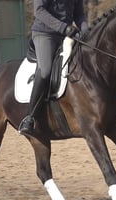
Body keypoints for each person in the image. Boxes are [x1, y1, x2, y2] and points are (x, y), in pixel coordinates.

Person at [18, 0, 88, 135]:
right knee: (45, 71)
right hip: (45, 33)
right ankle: (29, 118)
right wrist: (63, 27)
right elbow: (39, 11)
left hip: (66, 34)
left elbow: (79, 14)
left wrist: (86, 31)